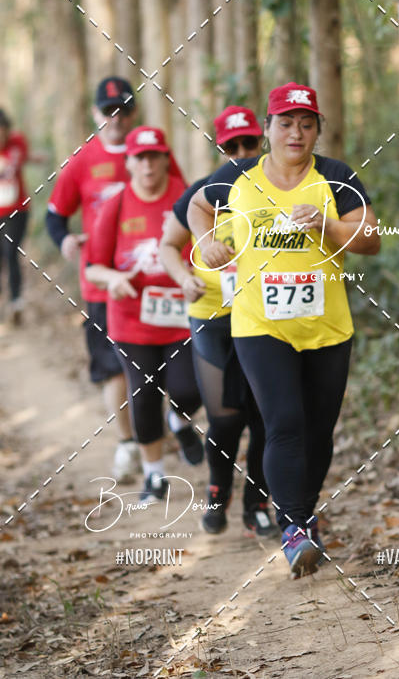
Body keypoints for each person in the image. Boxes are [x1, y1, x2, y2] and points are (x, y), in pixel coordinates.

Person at [187, 83, 380, 577]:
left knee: (319, 431)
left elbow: (371, 239)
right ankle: (293, 526)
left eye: (307, 123)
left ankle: (304, 512)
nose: (297, 132)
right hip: (258, 326)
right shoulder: (238, 176)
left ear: (318, 130)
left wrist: (329, 227)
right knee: (284, 424)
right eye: (286, 122)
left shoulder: (336, 178)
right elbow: (195, 205)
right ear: (268, 128)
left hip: (328, 328)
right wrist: (207, 241)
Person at [45, 77, 188, 483]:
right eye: (109, 110)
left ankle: (167, 426)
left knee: (168, 367)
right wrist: (65, 241)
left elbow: (183, 201)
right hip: (105, 281)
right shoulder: (83, 160)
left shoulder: (155, 152)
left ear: (134, 113)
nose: (117, 117)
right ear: (95, 114)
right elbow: (55, 214)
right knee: (114, 369)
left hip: (161, 283)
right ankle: (130, 442)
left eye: (124, 109)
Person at [160, 105, 276, 538]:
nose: (242, 151)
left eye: (250, 143)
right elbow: (168, 246)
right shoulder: (201, 192)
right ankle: (217, 490)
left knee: (266, 416)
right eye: (232, 146)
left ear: (261, 142)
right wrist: (182, 277)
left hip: (266, 317)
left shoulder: (274, 191)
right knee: (225, 417)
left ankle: (256, 504)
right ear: (219, 147)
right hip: (213, 316)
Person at [85, 126, 204, 502]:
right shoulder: (115, 205)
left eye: (155, 156)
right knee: (144, 396)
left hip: (183, 315)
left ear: (167, 158)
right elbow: (93, 267)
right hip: (132, 320)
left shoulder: (187, 199)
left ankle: (180, 420)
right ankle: (154, 476)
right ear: (129, 162)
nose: (148, 164)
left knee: (189, 388)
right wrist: (114, 278)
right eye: (140, 157)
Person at [0, 109, 31, 325]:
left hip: (17, 210)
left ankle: (16, 302)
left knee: (11, 254)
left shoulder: (18, 142)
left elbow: (24, 158)